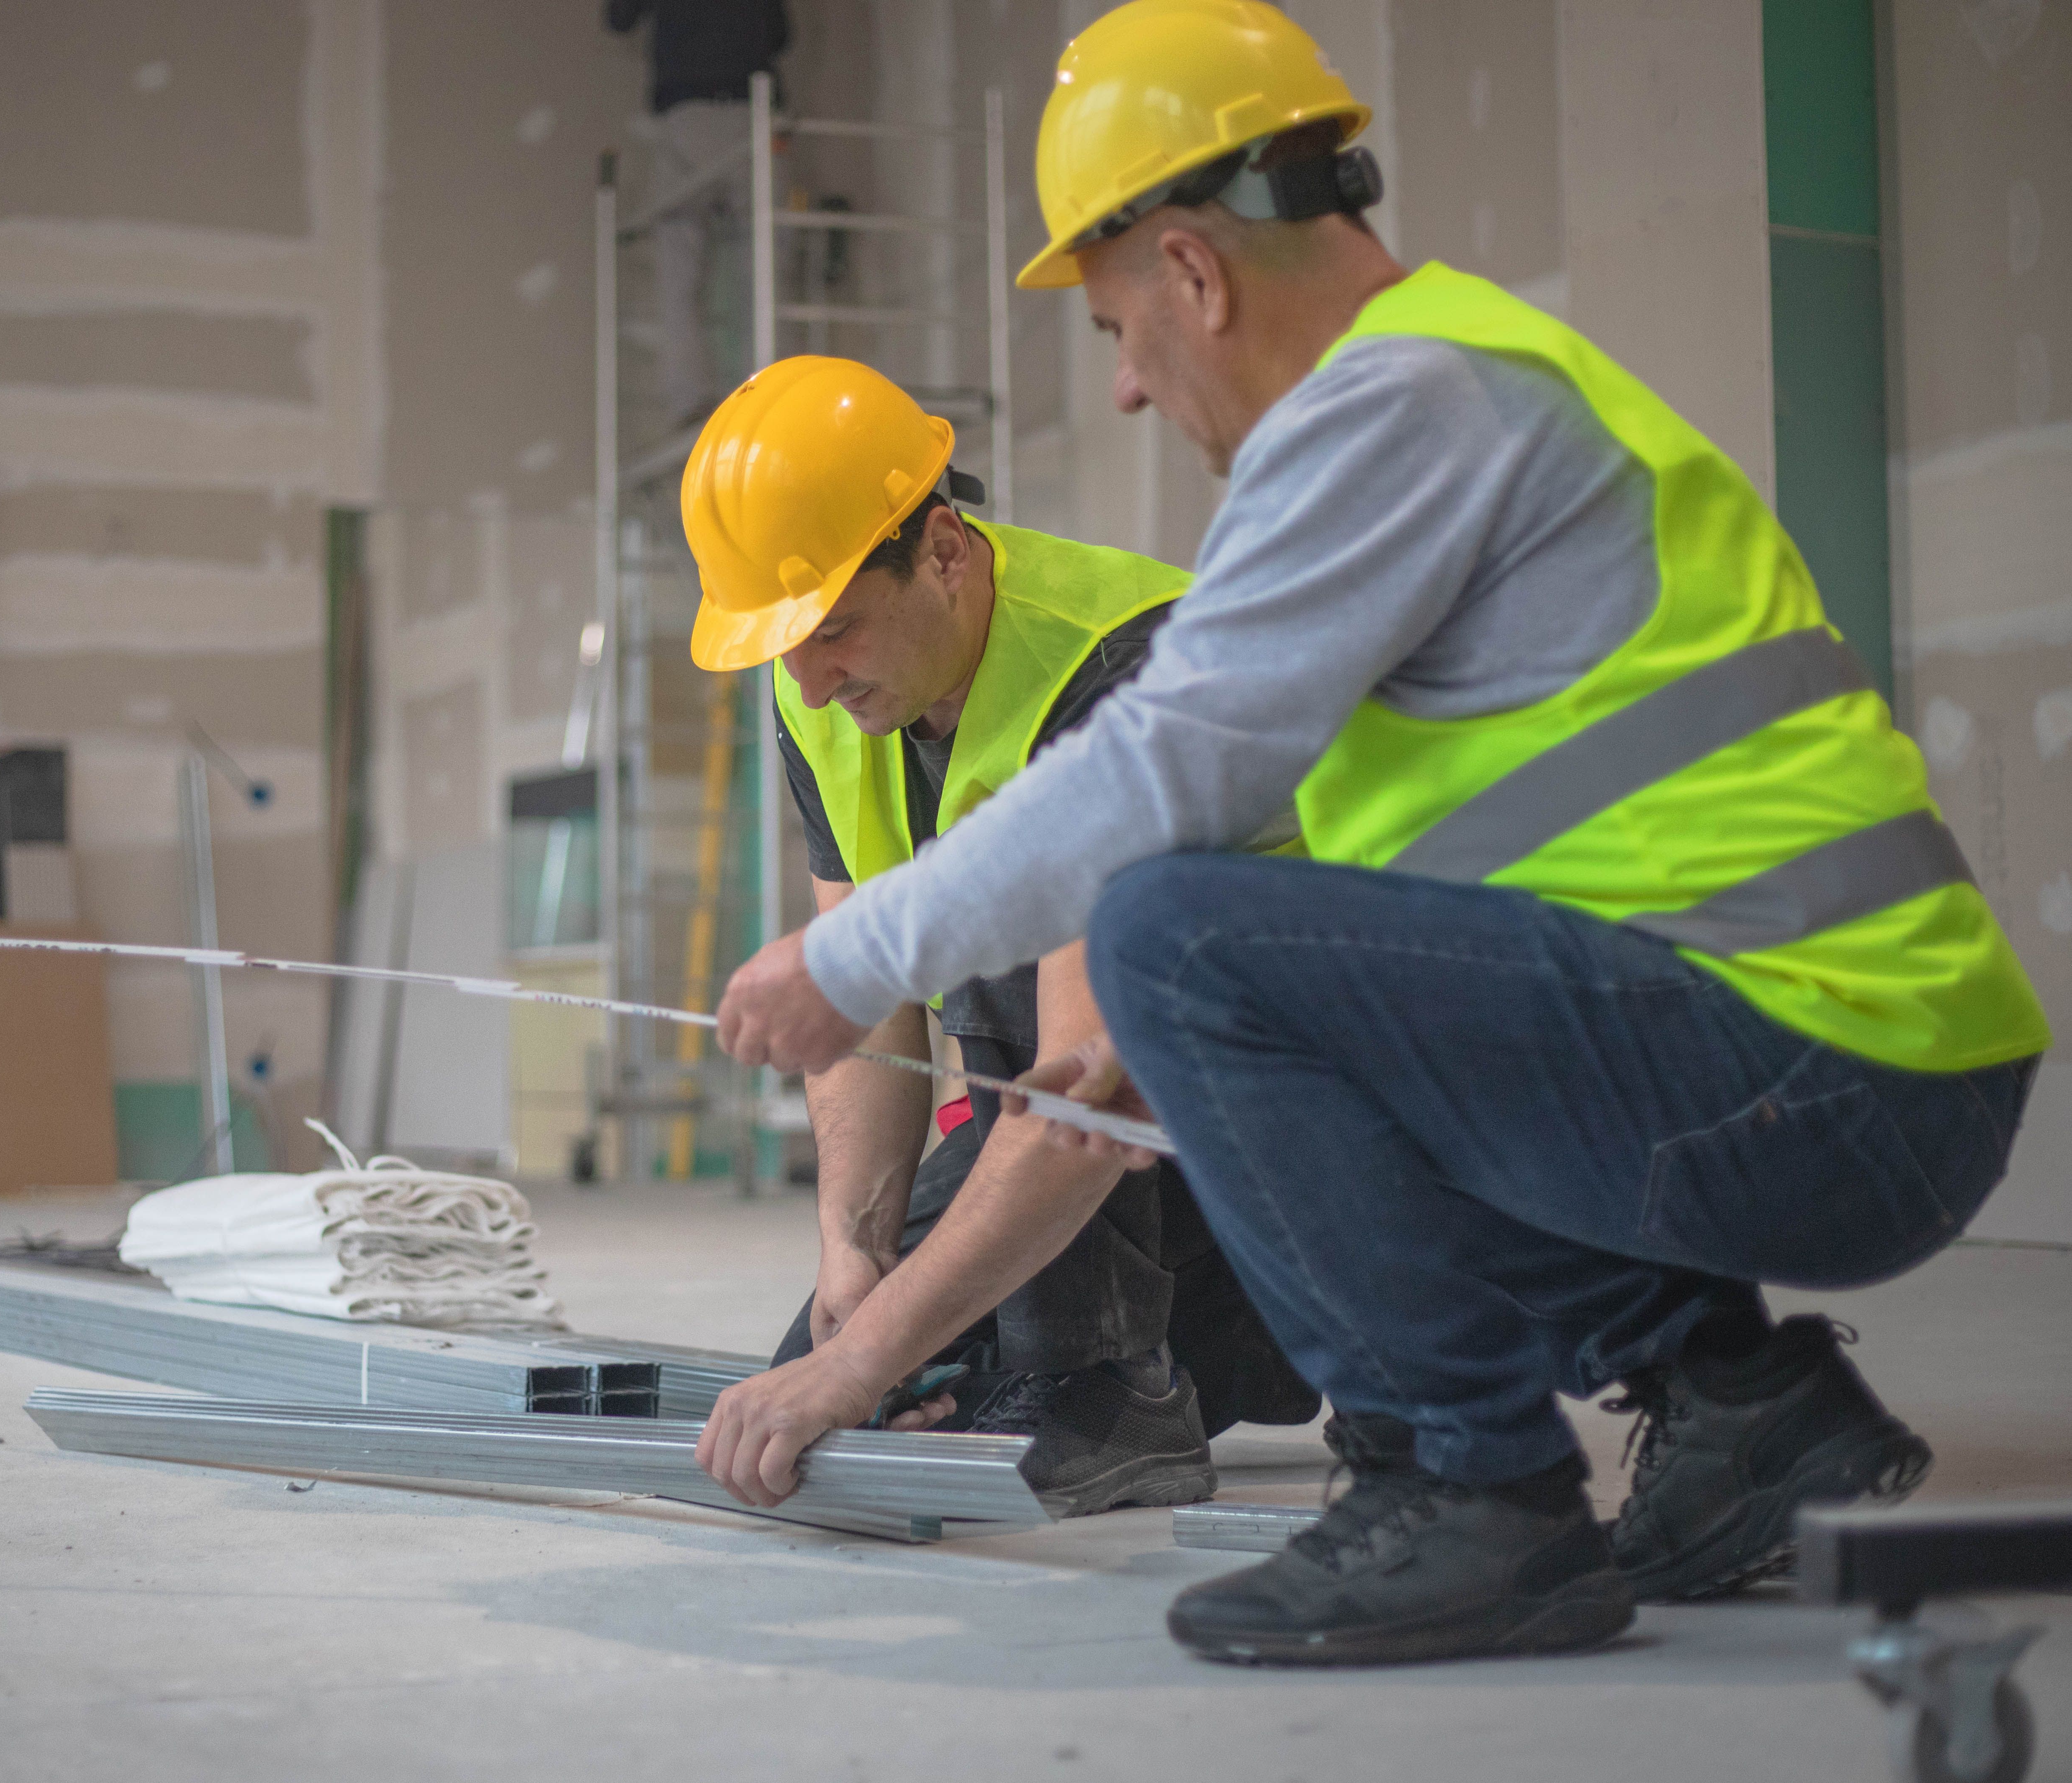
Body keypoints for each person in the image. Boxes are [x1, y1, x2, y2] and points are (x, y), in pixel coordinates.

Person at [697, 0, 2048, 1667]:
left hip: (1830, 1078)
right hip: (1839, 1055)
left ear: (1192, 272)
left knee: (1173, 935)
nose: (1122, 385)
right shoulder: (1450, 381)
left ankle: (1468, 1495)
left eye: (1117, 326)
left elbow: (1170, 765)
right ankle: (1746, 1408)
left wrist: (851, 953)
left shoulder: (1392, 408)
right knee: (1249, 957)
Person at [680, 356, 1320, 1517]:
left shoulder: (1123, 669)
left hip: (1284, 1165)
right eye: (785, 645)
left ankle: (1112, 1378)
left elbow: (1084, 1095)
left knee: (866, 1372)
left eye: (835, 632)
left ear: (943, 550)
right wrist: (852, 1250)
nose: (812, 685)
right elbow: (862, 992)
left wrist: (861, 1358)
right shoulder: (815, 694)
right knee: (833, 1389)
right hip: (1141, 1171)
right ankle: (1103, 1363)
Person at [605, 0, 789, 426]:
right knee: (763, 267)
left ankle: (690, 400)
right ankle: (772, 396)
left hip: (687, 112)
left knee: (679, 267)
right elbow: (780, 35)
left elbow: (619, 19)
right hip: (753, 110)